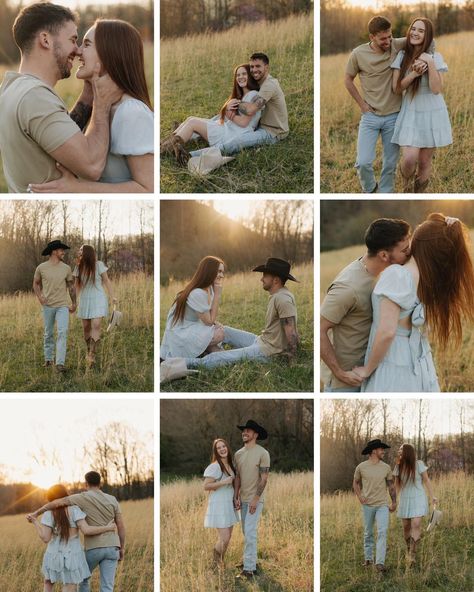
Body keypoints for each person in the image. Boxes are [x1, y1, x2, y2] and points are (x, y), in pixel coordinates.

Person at [0, 2, 122, 193]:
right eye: (73, 40)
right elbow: (92, 166)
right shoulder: (35, 97)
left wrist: (88, 96)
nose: (78, 49)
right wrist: (103, 102)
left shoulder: (10, 88)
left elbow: (60, 138)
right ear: (46, 40)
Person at [29, 19, 154, 193]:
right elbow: (71, 144)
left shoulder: (130, 111)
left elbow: (149, 189)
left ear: (110, 53)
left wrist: (77, 188)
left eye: (86, 44)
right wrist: (89, 95)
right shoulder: (101, 106)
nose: (78, 51)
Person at [354, 213, 474, 392]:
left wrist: (367, 370)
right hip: (420, 362)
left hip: (394, 362)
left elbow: (387, 332)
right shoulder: (430, 280)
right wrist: (449, 228)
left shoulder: (398, 275)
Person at [161, 257, 299, 372]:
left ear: (275, 280)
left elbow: (291, 331)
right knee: (224, 331)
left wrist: (292, 359)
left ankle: (178, 362)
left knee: (217, 358)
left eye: (265, 276)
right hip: (262, 340)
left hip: (268, 350)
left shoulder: (283, 299)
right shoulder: (278, 295)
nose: (261, 279)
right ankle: (210, 349)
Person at [320, 219, 411, 392]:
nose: (410, 253)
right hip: (346, 383)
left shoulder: (383, 272)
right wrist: (339, 373)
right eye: (405, 250)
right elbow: (319, 329)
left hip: (370, 375)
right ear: (384, 255)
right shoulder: (348, 288)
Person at [161, 52, 289, 164]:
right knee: (195, 119)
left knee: (230, 142)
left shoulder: (265, 87)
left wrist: (229, 109)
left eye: (257, 66)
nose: (254, 70)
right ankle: (170, 141)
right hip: (240, 127)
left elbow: (248, 113)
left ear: (266, 67)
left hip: (272, 132)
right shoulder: (256, 88)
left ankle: (182, 152)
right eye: (252, 67)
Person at [28, 471, 126, 592]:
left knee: (74, 580)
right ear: (100, 483)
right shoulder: (110, 500)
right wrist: (120, 546)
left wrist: (36, 516)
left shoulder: (78, 499)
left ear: (86, 483)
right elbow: (118, 526)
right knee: (105, 586)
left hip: (77, 550)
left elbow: (55, 507)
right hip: (102, 548)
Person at [345, 16, 406, 193]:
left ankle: (385, 193)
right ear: (372, 37)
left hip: (394, 115)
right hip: (370, 116)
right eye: (383, 39)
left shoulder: (396, 44)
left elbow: (424, 39)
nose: (388, 41)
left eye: (390, 36)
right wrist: (362, 105)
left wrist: (431, 60)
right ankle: (370, 190)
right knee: (363, 162)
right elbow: (348, 79)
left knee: (390, 164)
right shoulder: (358, 54)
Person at [391, 18, 452, 193]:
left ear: (428, 36)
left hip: (433, 112)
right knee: (410, 158)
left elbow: (436, 89)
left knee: (425, 162)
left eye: (421, 31)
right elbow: (396, 88)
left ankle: (417, 193)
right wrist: (413, 74)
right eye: (413, 29)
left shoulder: (436, 57)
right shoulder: (402, 56)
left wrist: (430, 62)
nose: (415, 33)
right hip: (411, 111)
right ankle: (405, 188)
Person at [161, 64, 261, 166]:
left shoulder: (253, 95)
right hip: (228, 128)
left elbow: (244, 122)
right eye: (238, 75)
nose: (240, 77)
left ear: (250, 75)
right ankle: (167, 143)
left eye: (244, 74)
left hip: (232, 134)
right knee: (190, 118)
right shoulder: (242, 95)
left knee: (192, 122)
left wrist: (228, 112)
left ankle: (166, 149)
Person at [160, 256, 225, 359]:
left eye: (222, 272)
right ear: (209, 271)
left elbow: (209, 318)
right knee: (219, 335)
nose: (222, 275)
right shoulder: (197, 293)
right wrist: (217, 295)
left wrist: (215, 323)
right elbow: (209, 321)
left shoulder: (209, 289)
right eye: (219, 271)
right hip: (181, 333)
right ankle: (195, 353)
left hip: (192, 327)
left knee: (219, 347)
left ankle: (207, 352)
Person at [233, 420, 270, 580]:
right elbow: (238, 477)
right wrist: (236, 496)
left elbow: (264, 479)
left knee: (250, 532)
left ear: (255, 434)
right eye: (244, 431)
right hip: (243, 499)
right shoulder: (238, 454)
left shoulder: (263, 453)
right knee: (245, 532)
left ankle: (249, 569)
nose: (244, 433)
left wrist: (256, 498)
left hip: (256, 500)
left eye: (248, 431)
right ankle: (250, 560)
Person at [353, 439, 397, 573]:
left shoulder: (386, 467)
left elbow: (391, 486)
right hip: (368, 505)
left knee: (382, 532)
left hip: (382, 505)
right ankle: (368, 559)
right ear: (373, 451)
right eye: (381, 449)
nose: (383, 451)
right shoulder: (361, 467)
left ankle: (380, 563)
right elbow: (355, 483)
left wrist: (394, 501)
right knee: (368, 533)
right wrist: (360, 496)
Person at [33, 240, 77, 373]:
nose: (63, 252)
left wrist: (74, 302)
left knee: (62, 332)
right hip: (48, 306)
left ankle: (60, 364)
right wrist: (40, 296)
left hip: (62, 306)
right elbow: (36, 283)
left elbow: (71, 287)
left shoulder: (66, 268)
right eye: (61, 250)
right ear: (53, 251)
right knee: (48, 333)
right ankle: (48, 359)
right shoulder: (41, 268)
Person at [393, 444, 437, 564]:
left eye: (401, 449)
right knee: (406, 527)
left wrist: (432, 496)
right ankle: (408, 550)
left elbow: (426, 480)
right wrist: (394, 500)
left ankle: (412, 555)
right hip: (405, 498)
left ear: (408, 452)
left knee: (416, 524)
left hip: (418, 497)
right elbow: (397, 485)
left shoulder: (419, 464)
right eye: (399, 449)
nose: (399, 451)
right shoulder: (398, 466)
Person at [73, 245, 117, 366]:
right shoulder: (78, 267)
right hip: (85, 299)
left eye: (81, 250)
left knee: (96, 324)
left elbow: (107, 281)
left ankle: (92, 354)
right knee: (86, 327)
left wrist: (112, 296)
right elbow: (77, 286)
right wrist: (74, 301)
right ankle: (88, 350)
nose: (79, 251)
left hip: (98, 297)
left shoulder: (99, 265)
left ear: (87, 252)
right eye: (79, 250)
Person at [203, 438, 240, 568]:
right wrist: (223, 482)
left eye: (223, 446)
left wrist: (236, 497)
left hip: (229, 503)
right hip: (219, 504)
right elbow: (206, 486)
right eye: (219, 448)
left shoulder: (231, 465)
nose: (222, 449)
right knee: (224, 537)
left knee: (228, 537)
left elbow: (235, 484)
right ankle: (213, 564)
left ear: (227, 448)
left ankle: (220, 563)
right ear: (216, 451)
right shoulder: (214, 466)